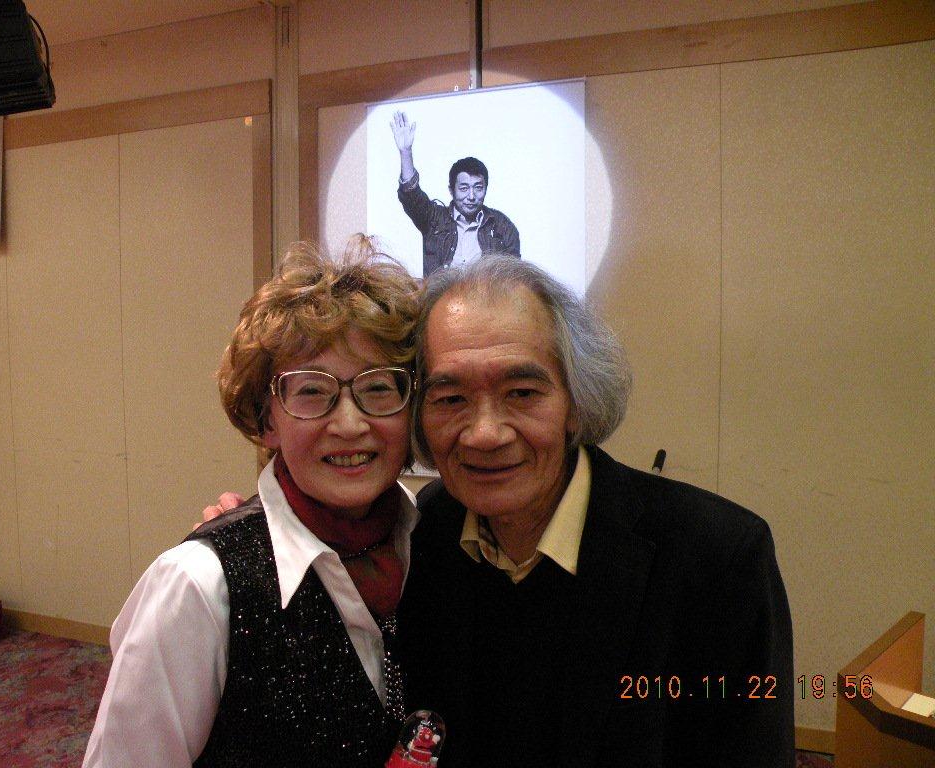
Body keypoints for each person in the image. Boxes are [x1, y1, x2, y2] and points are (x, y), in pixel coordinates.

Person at [200, 255, 795, 766]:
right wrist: (243, 544)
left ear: (576, 402)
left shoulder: (717, 561)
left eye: (522, 393)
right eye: (451, 398)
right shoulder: (424, 532)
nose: (485, 433)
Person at [82, 236, 421, 767]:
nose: (350, 423)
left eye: (378, 388)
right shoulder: (199, 587)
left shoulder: (437, 539)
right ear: (267, 420)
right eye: (312, 391)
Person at [390, 110, 521, 276]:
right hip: (441, 293)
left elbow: (515, 277)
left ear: (486, 188)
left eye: (478, 188)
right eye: (464, 188)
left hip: (484, 293)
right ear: (451, 190)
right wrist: (405, 152)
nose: (471, 196)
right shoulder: (434, 219)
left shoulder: (502, 226)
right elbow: (411, 196)